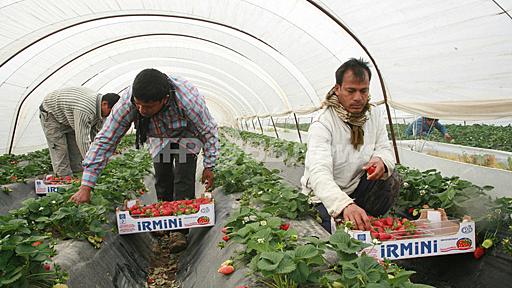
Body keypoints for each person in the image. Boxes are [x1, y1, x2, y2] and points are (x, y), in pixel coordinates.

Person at [69, 68, 219, 252]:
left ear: (164, 99)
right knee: (163, 177)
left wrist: (209, 165)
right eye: (138, 105)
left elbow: (208, 130)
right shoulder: (128, 102)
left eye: (147, 107)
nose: (141, 110)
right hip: (158, 137)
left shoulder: (187, 99)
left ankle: (180, 230)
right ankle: (165, 221)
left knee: (183, 177)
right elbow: (106, 140)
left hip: (185, 135)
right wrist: (86, 186)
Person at [300, 58, 401, 233]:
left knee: (392, 179)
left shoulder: (373, 115)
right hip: (324, 195)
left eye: (363, 91)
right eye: (351, 91)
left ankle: (367, 219)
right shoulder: (323, 122)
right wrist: (343, 204)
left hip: (356, 188)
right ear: (337, 89)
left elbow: (384, 148)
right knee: (333, 232)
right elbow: (319, 172)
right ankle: (351, 217)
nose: (358, 98)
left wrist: (380, 160)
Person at [39, 87, 120, 177]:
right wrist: (92, 164)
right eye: (111, 110)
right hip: (51, 114)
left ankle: (78, 176)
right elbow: (82, 140)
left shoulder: (100, 110)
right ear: (105, 104)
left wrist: (102, 157)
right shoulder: (85, 110)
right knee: (60, 149)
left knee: (75, 151)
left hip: (68, 115)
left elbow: (98, 136)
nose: (111, 114)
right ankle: (64, 178)